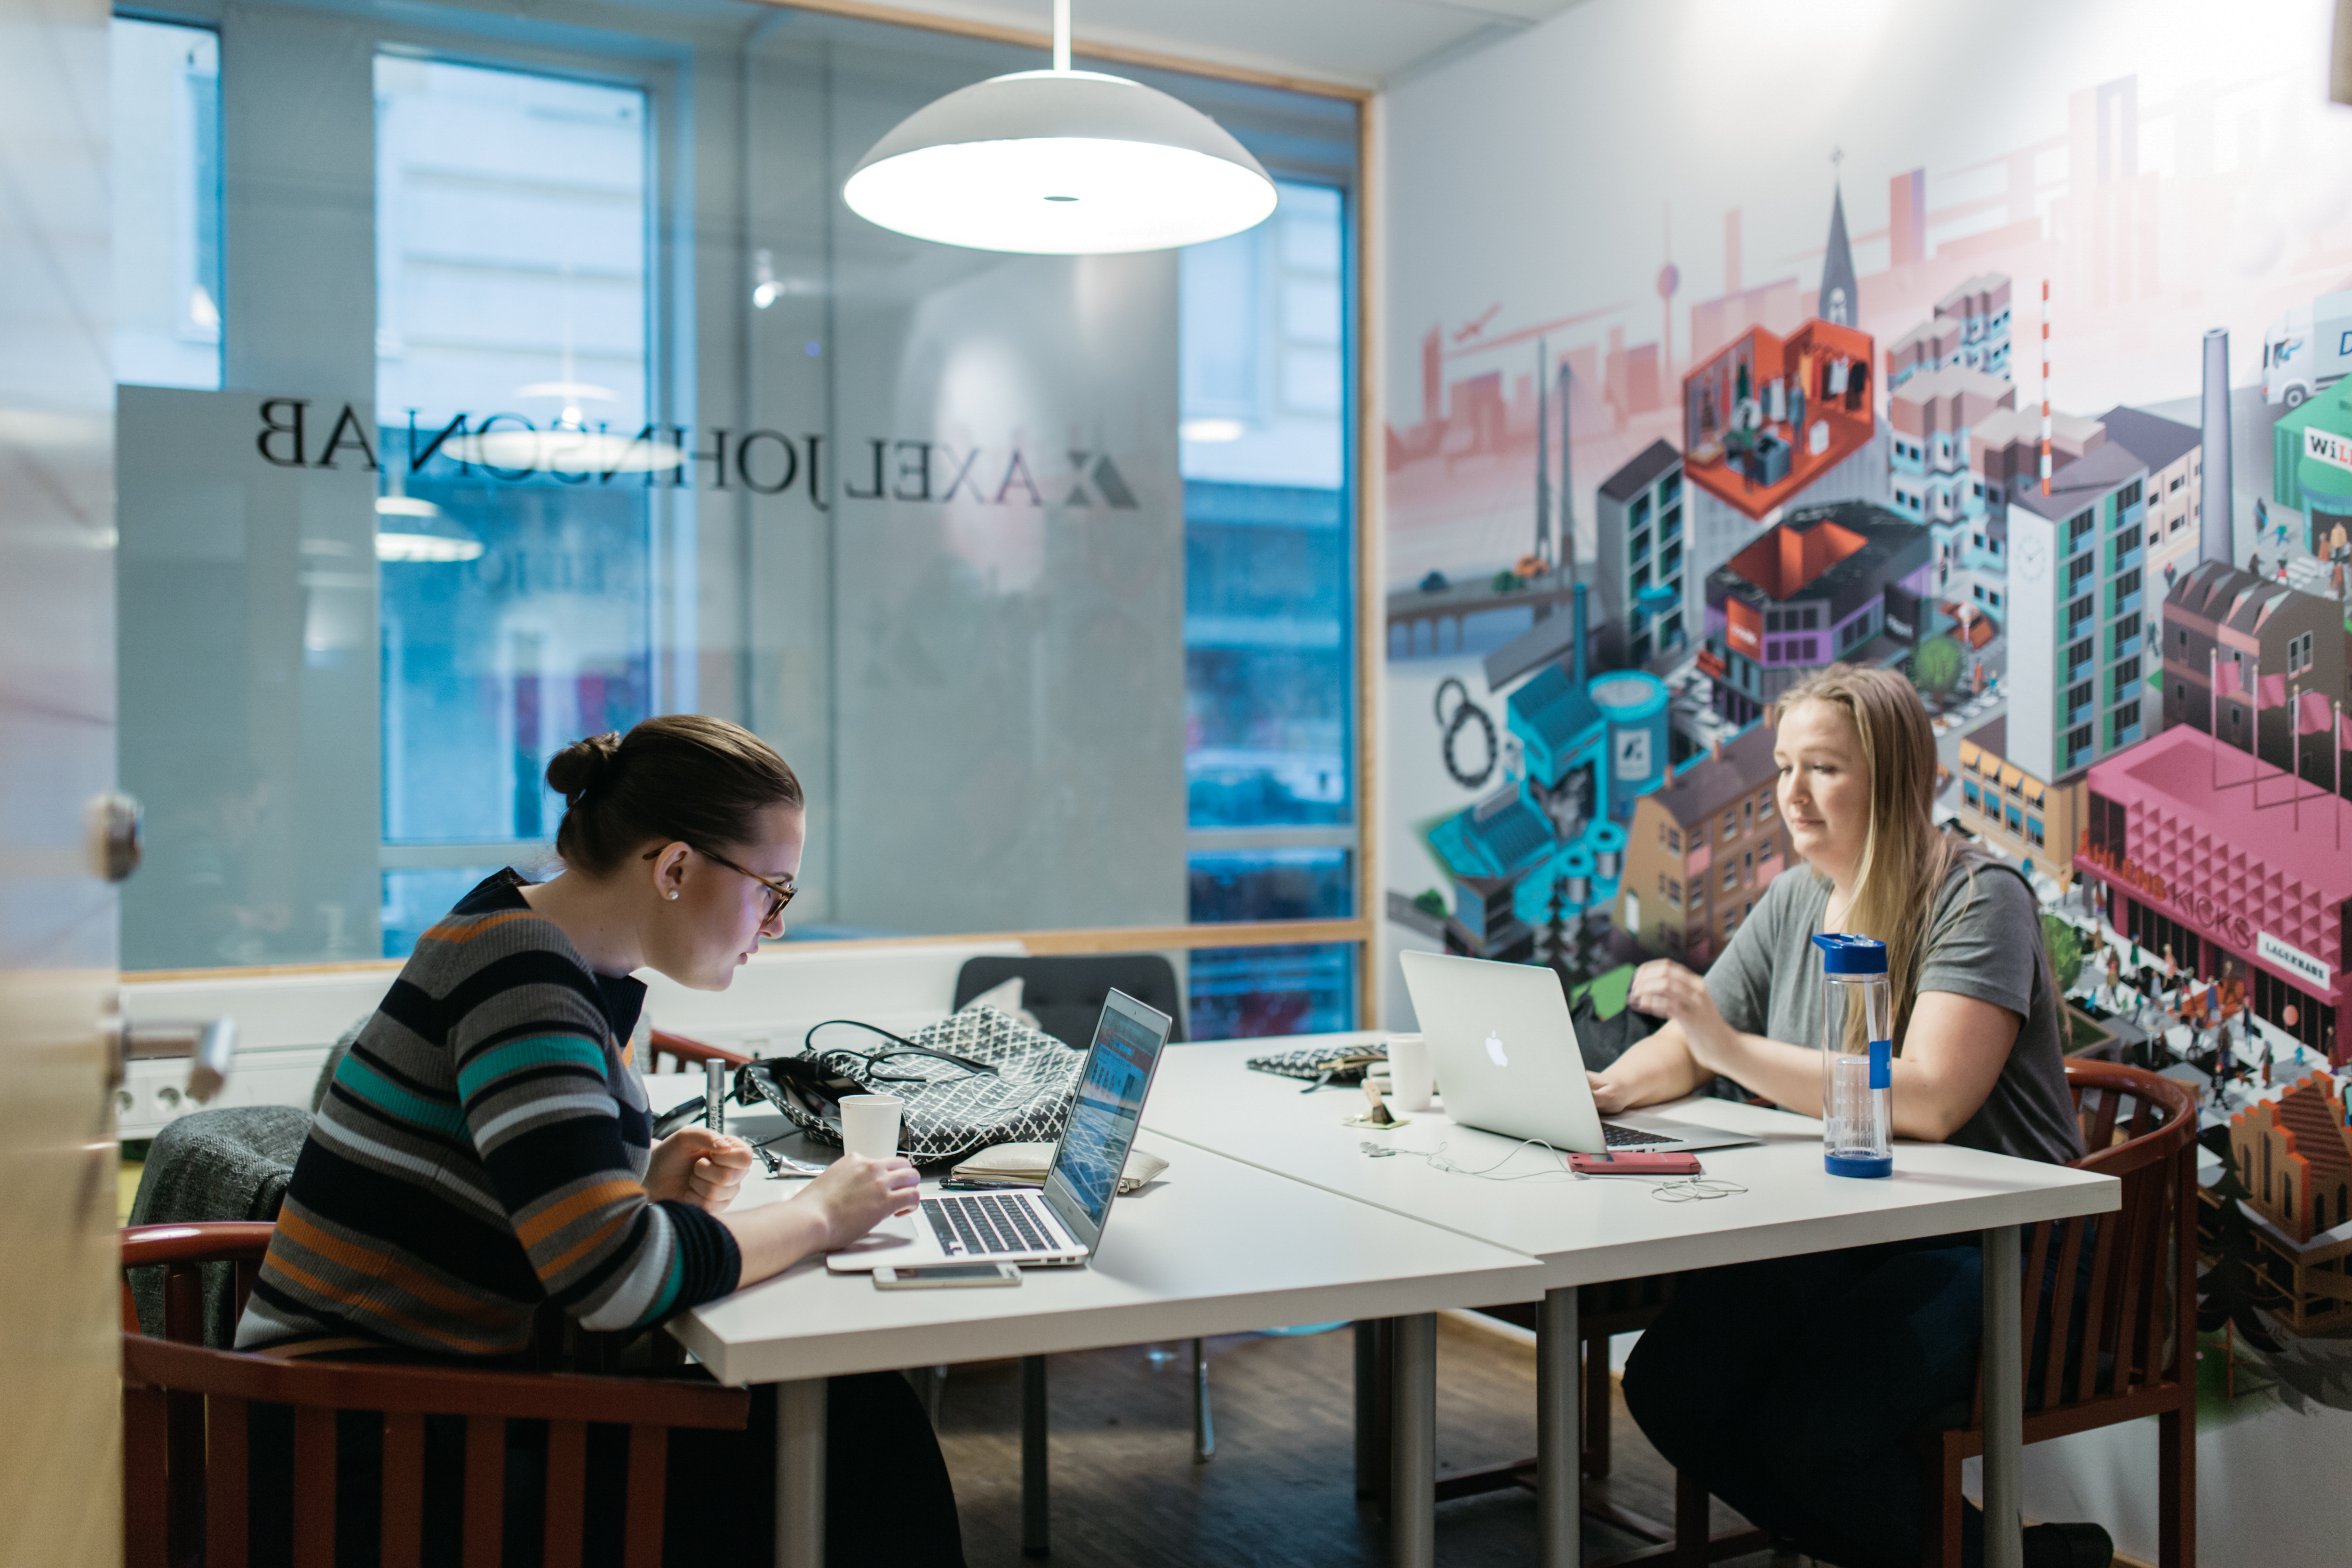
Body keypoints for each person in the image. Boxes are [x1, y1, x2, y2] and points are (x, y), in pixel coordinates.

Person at [237, 714, 963, 1567]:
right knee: (855, 1437)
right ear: (675, 867)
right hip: (367, 1461)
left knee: (846, 1420)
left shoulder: (519, 937)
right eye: (773, 890)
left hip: (393, 1415)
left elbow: (523, 1211)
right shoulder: (525, 980)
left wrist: (639, 1189)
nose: (774, 925)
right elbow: (617, 1280)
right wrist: (821, 1215)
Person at [1595, 665, 2106, 1568]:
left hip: (2011, 1251)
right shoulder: (1796, 897)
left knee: (1814, 1429)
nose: (1792, 794)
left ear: (1895, 778)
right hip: (1863, 1232)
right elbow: (1689, 1045)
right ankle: (2013, 1558)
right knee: (1675, 1383)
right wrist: (1608, 1091)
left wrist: (1726, 1046)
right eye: (1784, 766)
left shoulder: (1980, 897)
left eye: (1823, 768)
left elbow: (1932, 1098)